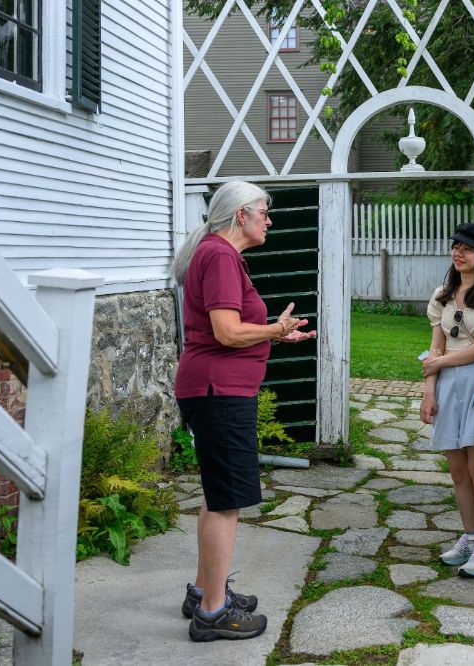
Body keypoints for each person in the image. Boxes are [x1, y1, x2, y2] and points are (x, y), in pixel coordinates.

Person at [171, 180, 316, 642]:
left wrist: (276, 332)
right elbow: (228, 332)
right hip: (219, 391)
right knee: (226, 502)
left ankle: (203, 591)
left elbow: (235, 329)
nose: (268, 220)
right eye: (263, 212)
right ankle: (212, 613)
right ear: (240, 215)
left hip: (215, 389)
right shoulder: (219, 256)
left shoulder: (219, 255)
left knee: (218, 496)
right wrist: (272, 330)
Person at [420, 222, 474, 578]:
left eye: (467, 249)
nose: (458, 253)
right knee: (457, 471)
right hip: (446, 385)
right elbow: (435, 346)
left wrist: (439, 362)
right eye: (455, 246)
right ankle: (470, 538)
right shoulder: (442, 293)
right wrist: (429, 390)